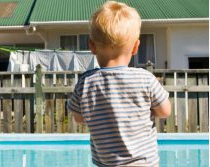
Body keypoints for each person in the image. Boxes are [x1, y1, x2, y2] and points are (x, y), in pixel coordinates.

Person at [67, 1, 171, 166]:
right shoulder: (145, 79)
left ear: (92, 46)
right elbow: (165, 111)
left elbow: (79, 118)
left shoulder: (85, 82)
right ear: (136, 46)